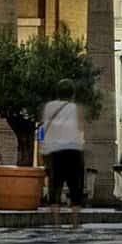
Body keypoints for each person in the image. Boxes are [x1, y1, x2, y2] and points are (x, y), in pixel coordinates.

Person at [40, 79, 86, 228]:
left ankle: (56, 224)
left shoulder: (48, 107)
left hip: (54, 152)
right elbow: (81, 127)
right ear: (72, 93)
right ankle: (75, 224)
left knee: (55, 186)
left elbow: (45, 127)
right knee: (75, 187)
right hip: (73, 151)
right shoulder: (75, 108)